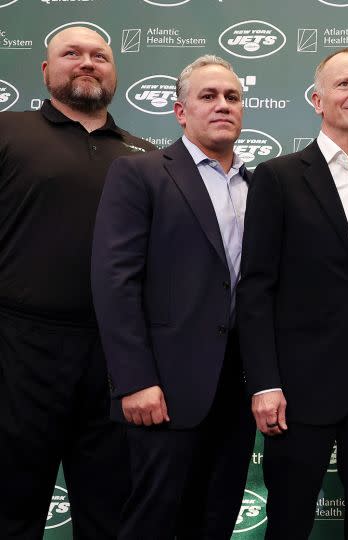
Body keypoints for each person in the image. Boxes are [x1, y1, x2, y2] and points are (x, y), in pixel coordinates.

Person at [237, 48, 348, 540]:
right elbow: (255, 288)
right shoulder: (278, 178)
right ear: (317, 99)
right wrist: (264, 382)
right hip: (296, 388)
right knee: (289, 524)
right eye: (344, 85)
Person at [0, 26, 155, 539]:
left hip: (115, 360)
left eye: (100, 56)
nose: (87, 62)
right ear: (46, 71)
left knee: (109, 513)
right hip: (17, 350)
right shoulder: (8, 131)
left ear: (114, 72)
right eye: (72, 54)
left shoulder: (148, 156)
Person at [91, 54, 254, 539]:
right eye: (208, 96)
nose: (222, 105)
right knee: (154, 523)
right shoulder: (139, 174)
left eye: (232, 97)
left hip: (238, 390)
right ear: (181, 112)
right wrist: (134, 379)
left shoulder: (260, 185)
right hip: (163, 389)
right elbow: (114, 281)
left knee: (216, 520)